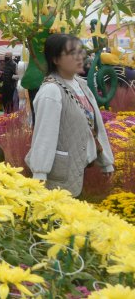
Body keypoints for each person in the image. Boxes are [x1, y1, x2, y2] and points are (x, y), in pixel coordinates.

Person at [25, 34, 114, 197]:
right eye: (72, 53)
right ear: (55, 59)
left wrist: (106, 161)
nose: (79, 57)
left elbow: (95, 124)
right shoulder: (51, 91)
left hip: (76, 169)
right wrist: (39, 173)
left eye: (81, 52)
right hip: (58, 177)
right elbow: (44, 135)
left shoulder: (80, 84)